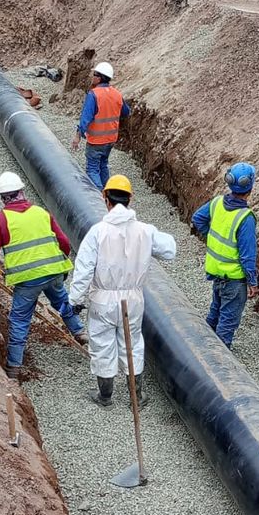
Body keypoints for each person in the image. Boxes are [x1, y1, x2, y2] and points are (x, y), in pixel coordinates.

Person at [0, 171, 87, 379]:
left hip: (27, 282)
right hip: (53, 273)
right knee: (62, 301)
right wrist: (57, 263)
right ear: (22, 191)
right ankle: (79, 332)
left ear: (2, 197)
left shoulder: (0, 220)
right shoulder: (40, 212)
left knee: (19, 320)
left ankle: (13, 368)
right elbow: (63, 242)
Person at [68, 174, 176, 408]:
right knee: (132, 343)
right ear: (130, 199)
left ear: (104, 197)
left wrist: (75, 299)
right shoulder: (144, 231)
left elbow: (84, 268)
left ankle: (105, 396)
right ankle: (136, 398)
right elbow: (169, 250)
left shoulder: (98, 232)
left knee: (102, 343)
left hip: (103, 299)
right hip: (133, 298)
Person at [191, 162, 257, 350]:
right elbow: (247, 256)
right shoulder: (245, 218)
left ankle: (201, 353)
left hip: (217, 274)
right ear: (249, 188)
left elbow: (197, 218)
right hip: (234, 280)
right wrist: (253, 282)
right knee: (226, 324)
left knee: (214, 314)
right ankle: (218, 364)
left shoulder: (217, 203)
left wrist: (210, 237)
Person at [71, 62, 130, 193]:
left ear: (99, 77)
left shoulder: (94, 94)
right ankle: (109, 194)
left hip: (96, 140)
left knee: (92, 168)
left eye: (94, 75)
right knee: (103, 165)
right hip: (110, 139)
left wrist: (77, 136)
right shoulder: (116, 94)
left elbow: (85, 118)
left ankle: (99, 196)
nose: (92, 77)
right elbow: (126, 111)